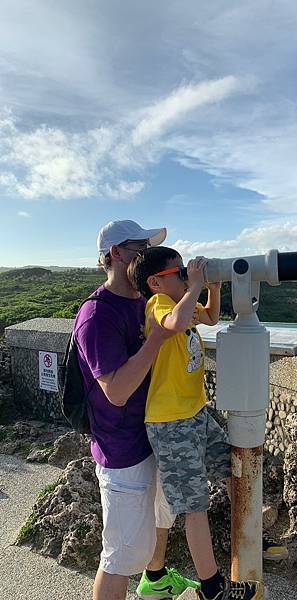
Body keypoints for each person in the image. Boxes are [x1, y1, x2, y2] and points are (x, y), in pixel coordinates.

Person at [128, 246, 263, 600]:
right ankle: (212, 588)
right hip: (170, 423)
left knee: (233, 471)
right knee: (193, 506)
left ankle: (251, 537)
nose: (187, 276)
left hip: (195, 414)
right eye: (180, 273)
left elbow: (212, 318)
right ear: (156, 282)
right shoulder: (158, 306)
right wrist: (196, 284)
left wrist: (212, 289)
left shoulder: (183, 303)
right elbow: (173, 324)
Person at [74, 220, 199, 600]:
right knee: (119, 556)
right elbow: (117, 390)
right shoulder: (98, 315)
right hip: (123, 451)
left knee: (159, 521)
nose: (145, 258)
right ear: (115, 254)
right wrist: (157, 339)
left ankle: (155, 583)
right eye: (139, 249)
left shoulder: (144, 302)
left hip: (156, 432)